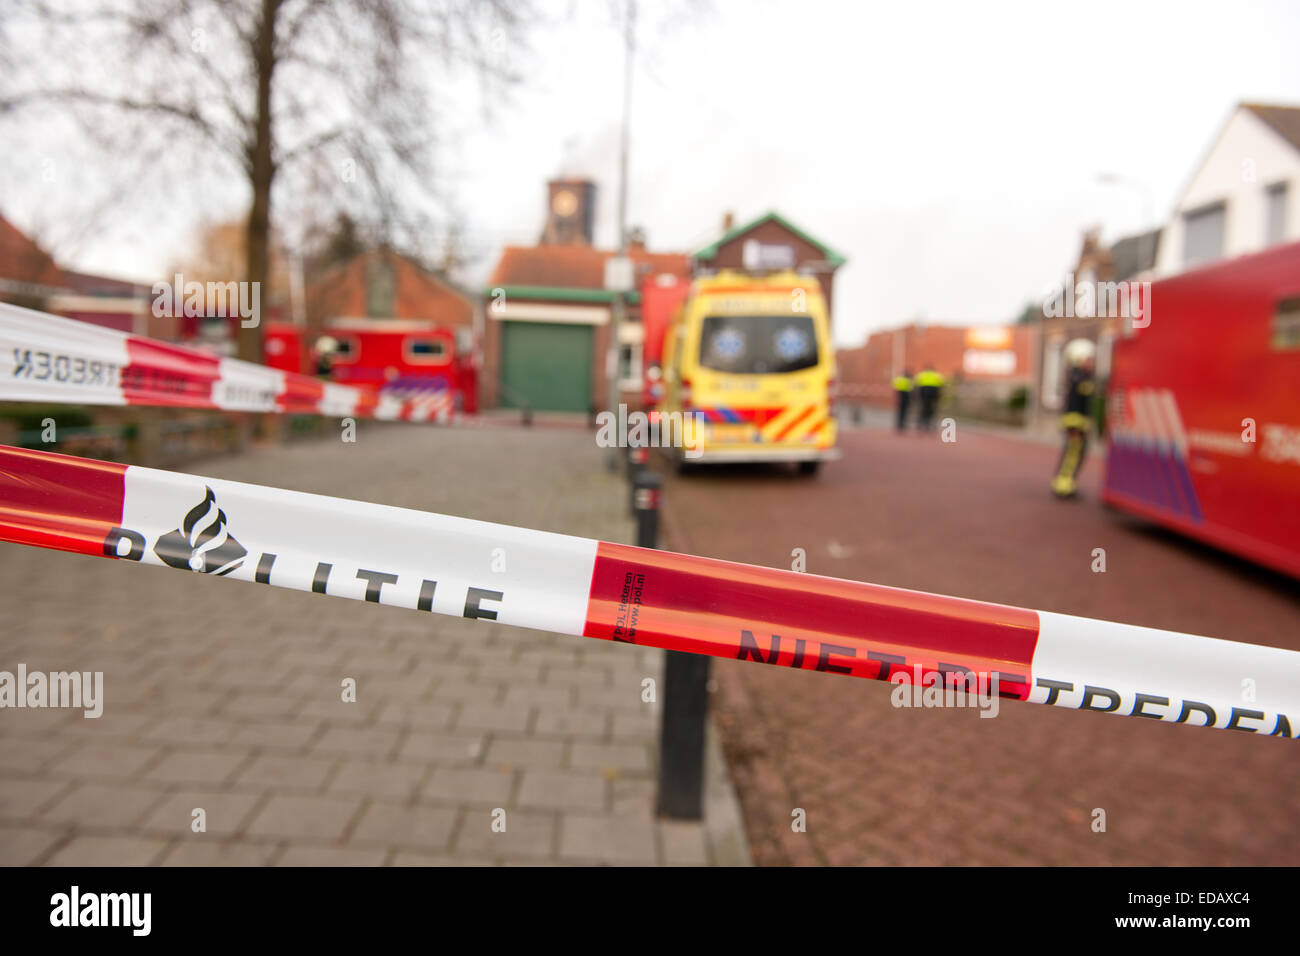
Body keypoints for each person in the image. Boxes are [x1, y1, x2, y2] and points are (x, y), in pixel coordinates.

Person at [1051, 338, 1097, 498]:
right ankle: (1063, 485)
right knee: (1071, 455)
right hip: (1075, 425)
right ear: (1079, 359)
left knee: (1075, 455)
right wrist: (1074, 428)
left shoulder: (1080, 377)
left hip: (1079, 424)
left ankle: (1067, 482)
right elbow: (1074, 405)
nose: (1092, 363)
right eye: (1089, 359)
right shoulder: (1078, 379)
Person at [914, 365, 945, 431]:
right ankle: (930, 424)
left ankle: (921, 423)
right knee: (932, 409)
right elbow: (942, 384)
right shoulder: (936, 375)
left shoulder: (922, 374)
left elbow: (916, 384)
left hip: (924, 393)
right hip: (934, 393)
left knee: (923, 409)